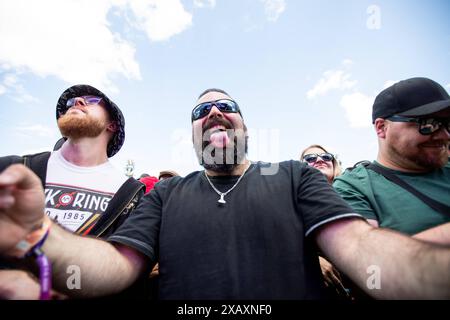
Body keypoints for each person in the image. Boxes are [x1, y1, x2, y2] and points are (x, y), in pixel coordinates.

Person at [0, 88, 450, 299]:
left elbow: (360, 246)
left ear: (245, 124)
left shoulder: (294, 176)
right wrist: (39, 233)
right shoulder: (165, 194)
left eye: (226, 106)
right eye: (202, 110)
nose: (215, 111)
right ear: (193, 131)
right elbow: (115, 268)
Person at [0, 84, 145, 299]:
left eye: (92, 101)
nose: (76, 102)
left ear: (112, 125)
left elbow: (125, 272)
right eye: (72, 101)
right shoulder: (13, 169)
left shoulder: (131, 195)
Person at [333, 77, 450, 245]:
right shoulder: (354, 187)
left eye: (448, 124)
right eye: (429, 124)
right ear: (382, 128)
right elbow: (368, 257)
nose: (445, 135)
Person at [300, 144, 349, 299]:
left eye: (326, 157)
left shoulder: (355, 193)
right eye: (310, 158)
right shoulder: (292, 201)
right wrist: (311, 262)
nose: (320, 160)